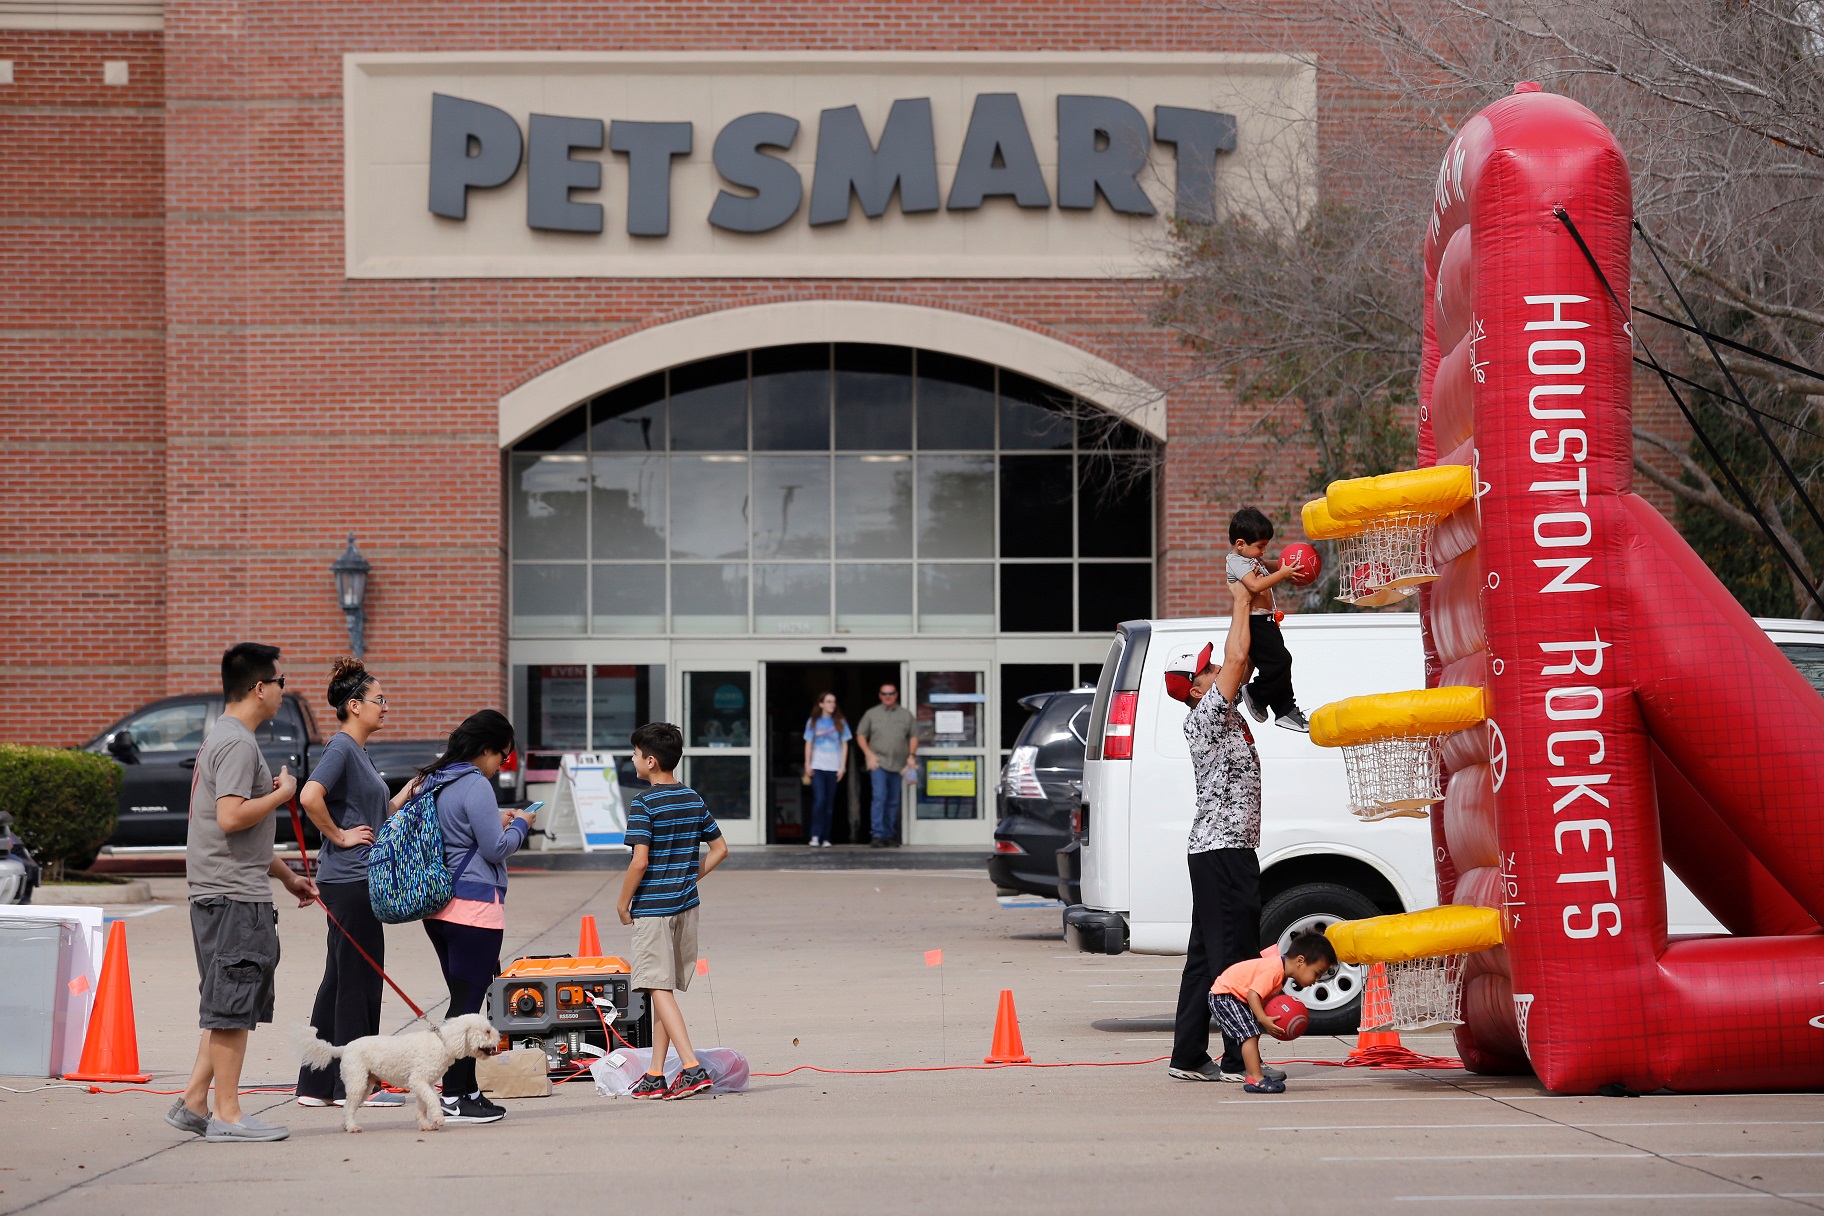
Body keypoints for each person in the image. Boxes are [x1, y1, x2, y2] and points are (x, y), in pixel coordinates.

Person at [166, 643, 318, 1143]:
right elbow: (232, 816)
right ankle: (227, 1115)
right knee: (232, 1010)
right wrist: (282, 793)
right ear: (259, 687)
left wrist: (286, 875)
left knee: (226, 1004)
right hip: (232, 897)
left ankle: (193, 1102)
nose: (283, 690)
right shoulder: (236, 745)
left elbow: (233, 833)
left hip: (229, 890)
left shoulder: (227, 739)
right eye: (279, 682)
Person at [1165, 580, 1287, 1085]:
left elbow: (1246, 657)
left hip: (1220, 850)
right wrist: (1240, 597)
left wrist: (1259, 605)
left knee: (1205, 957)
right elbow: (1238, 663)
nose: (1219, 670)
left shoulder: (1223, 711)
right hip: (1223, 851)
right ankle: (1240, 1060)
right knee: (1234, 957)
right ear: (1194, 688)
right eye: (1208, 669)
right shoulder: (1208, 716)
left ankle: (1187, 1055)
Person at [295, 657, 420, 1109]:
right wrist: (338, 835)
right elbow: (310, 795)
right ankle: (357, 1085)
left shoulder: (358, 752)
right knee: (358, 983)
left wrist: (407, 793)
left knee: (339, 980)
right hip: (351, 880)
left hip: (351, 880)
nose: (385, 707)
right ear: (354, 705)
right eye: (378, 700)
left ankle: (315, 1085)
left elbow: (373, 816)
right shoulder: (342, 748)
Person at [420, 709, 535, 1126]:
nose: (501, 764)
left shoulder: (437, 780)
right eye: (502, 757)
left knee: (462, 1000)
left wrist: (499, 820)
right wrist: (521, 824)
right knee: (469, 1007)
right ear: (486, 749)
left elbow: (461, 833)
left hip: (438, 907)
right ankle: (454, 1094)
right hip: (474, 907)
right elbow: (495, 849)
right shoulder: (475, 785)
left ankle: (465, 1089)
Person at [616, 721, 730, 1100]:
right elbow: (720, 850)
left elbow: (639, 861)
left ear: (650, 761)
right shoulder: (692, 798)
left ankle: (691, 1068)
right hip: (685, 907)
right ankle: (654, 1073)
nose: (632, 759)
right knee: (663, 989)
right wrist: (688, 877)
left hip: (652, 908)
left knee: (655, 985)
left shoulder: (643, 802)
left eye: (635, 754)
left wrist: (622, 902)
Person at [1208, 932, 1338, 1093]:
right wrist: (1263, 1018)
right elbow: (1253, 994)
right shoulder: (1275, 971)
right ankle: (1255, 1078)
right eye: (1316, 973)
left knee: (1251, 1034)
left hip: (1232, 996)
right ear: (1300, 961)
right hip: (1225, 996)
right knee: (1250, 1035)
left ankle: (1253, 1074)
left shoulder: (1280, 969)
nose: (1316, 980)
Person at [1226, 506, 1312, 732]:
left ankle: (1286, 710)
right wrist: (1282, 575)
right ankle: (1255, 693)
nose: (1264, 551)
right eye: (1260, 546)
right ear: (1240, 544)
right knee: (1281, 662)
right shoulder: (1236, 561)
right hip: (1253, 622)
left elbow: (1274, 566)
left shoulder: (1252, 559)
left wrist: (1291, 566)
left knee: (1281, 663)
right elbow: (1254, 585)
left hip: (1267, 621)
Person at [854, 682, 917, 848]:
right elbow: (860, 735)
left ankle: (889, 835)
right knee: (879, 797)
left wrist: (911, 755)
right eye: (884, 693)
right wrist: (869, 755)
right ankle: (877, 834)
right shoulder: (872, 714)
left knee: (893, 801)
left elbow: (913, 736)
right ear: (879, 695)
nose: (887, 696)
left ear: (896, 695)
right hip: (878, 763)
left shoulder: (905, 715)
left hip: (899, 765)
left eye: (891, 693)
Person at [802, 692, 852, 848]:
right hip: (818, 766)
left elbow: (845, 744)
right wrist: (807, 763)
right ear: (821, 704)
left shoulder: (840, 722)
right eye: (829, 702)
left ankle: (826, 837)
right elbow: (808, 743)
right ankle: (815, 835)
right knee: (820, 800)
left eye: (834, 702)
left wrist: (843, 766)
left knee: (829, 803)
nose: (832, 705)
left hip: (833, 767)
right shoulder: (813, 722)